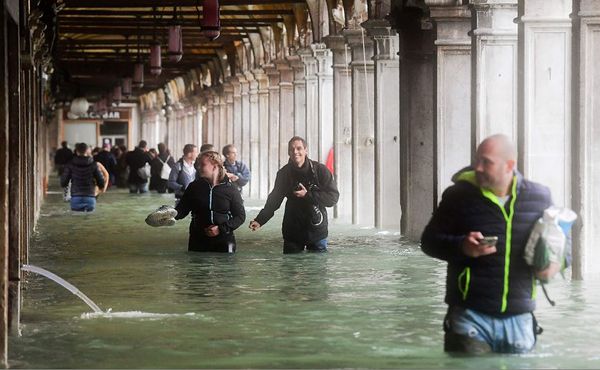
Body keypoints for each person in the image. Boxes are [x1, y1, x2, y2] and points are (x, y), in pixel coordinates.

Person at [420, 134, 553, 354]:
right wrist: (462, 246)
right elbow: (429, 242)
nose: (478, 167)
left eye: (487, 162)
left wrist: (551, 267)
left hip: (520, 320)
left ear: (509, 165)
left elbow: (561, 249)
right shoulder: (457, 196)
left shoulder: (539, 197)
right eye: (477, 160)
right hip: (469, 317)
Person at [249, 136, 339, 253]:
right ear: (288, 152)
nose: (295, 152)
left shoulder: (320, 170)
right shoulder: (283, 174)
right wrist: (260, 220)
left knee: (317, 270)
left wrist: (308, 195)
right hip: (293, 231)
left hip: (317, 231)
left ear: (306, 150)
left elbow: (333, 198)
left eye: (299, 148)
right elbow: (274, 200)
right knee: (290, 269)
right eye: (292, 149)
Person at [174, 151, 246, 253]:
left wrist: (221, 229)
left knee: (226, 268)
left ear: (215, 166)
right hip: (198, 238)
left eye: (202, 164)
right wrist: (169, 215)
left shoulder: (231, 189)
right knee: (197, 269)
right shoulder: (194, 187)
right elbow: (182, 210)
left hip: (224, 240)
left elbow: (240, 216)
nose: (198, 167)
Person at [60, 142, 105, 212]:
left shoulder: (70, 164)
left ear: (76, 151)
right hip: (90, 197)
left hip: (76, 198)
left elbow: (63, 183)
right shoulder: (94, 165)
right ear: (87, 151)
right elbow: (101, 182)